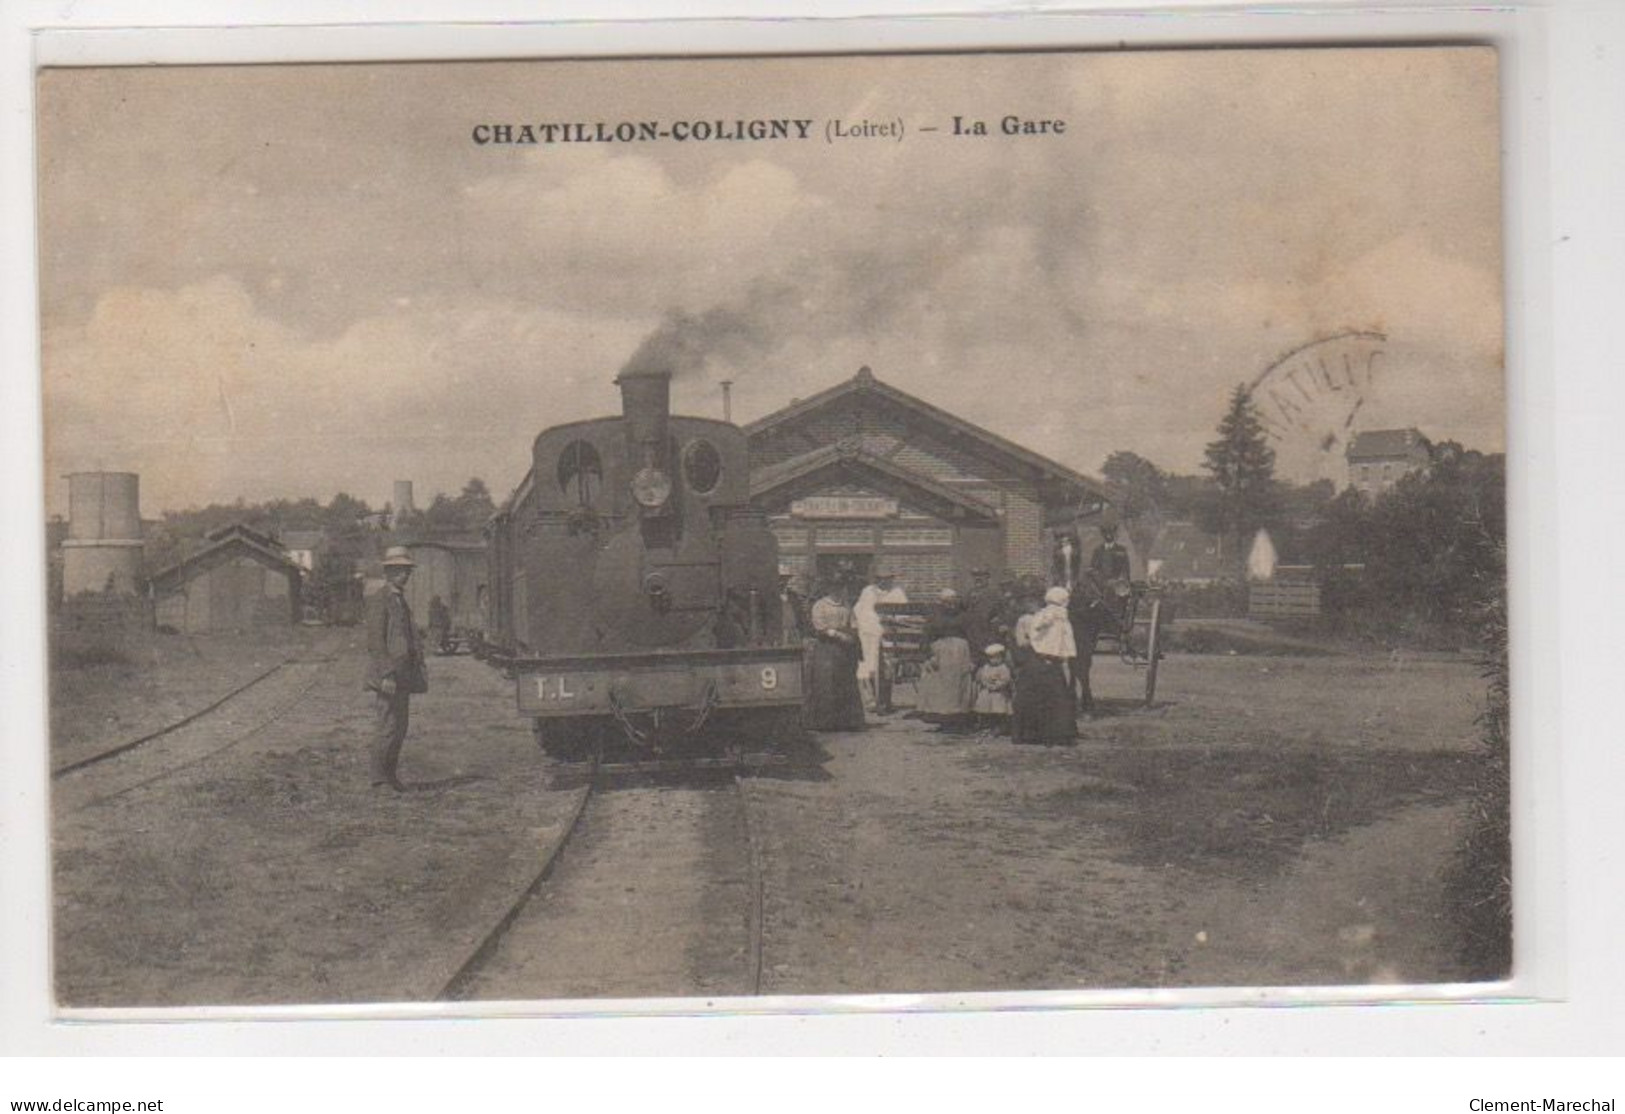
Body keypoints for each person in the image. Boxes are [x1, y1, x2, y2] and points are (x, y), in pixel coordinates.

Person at [365, 546, 428, 791]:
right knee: (387, 725)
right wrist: (387, 673)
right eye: (400, 571)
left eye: (407, 571)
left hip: (403, 673)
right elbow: (376, 641)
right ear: (389, 572)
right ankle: (378, 779)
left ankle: (390, 776)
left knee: (400, 726)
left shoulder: (399, 599)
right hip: (388, 674)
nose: (405, 575)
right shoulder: (379, 598)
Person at [1013, 586, 1077, 746]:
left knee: (1050, 696)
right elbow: (1031, 637)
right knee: (1046, 696)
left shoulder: (1054, 615)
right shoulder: (1044, 616)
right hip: (1040, 659)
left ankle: (1049, 733)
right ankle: (1041, 733)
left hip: (1048, 659)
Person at [804, 580, 865, 731]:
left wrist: (853, 633)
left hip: (844, 649)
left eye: (841, 587)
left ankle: (847, 721)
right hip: (826, 648)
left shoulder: (846, 605)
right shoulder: (820, 605)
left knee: (846, 682)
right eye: (835, 587)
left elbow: (853, 622)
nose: (838, 591)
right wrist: (837, 634)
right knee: (827, 683)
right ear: (829, 588)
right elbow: (819, 626)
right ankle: (825, 722)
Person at [915, 588, 977, 731]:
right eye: (946, 602)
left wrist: (974, 659)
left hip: (960, 654)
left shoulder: (965, 617)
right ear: (941, 602)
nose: (951, 604)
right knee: (938, 684)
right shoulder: (934, 617)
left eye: (953, 601)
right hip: (939, 655)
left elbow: (973, 637)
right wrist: (928, 656)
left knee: (958, 685)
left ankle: (957, 719)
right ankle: (942, 719)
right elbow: (926, 636)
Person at [853, 566, 908, 712]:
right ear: (877, 580)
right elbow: (860, 612)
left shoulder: (897, 593)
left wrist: (890, 619)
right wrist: (874, 621)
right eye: (881, 579)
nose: (885, 582)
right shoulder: (867, 592)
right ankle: (870, 700)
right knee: (867, 666)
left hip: (888, 635)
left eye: (888, 579)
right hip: (869, 635)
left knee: (886, 667)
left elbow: (904, 615)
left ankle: (884, 701)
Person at [961, 567, 1002, 667]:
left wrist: (995, 628)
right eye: (975, 576)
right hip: (971, 635)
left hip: (987, 635)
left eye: (981, 576)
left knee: (988, 664)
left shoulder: (994, 594)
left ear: (987, 578)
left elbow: (1001, 614)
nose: (978, 579)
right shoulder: (969, 594)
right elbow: (963, 610)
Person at [972, 644, 1013, 736]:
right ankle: (987, 725)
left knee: (999, 710)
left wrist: (998, 685)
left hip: (999, 693)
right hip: (988, 692)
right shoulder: (986, 667)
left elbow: (1006, 679)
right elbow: (983, 678)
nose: (994, 660)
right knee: (987, 709)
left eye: (997, 658)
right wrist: (987, 684)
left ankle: (999, 727)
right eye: (992, 658)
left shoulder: (1003, 668)